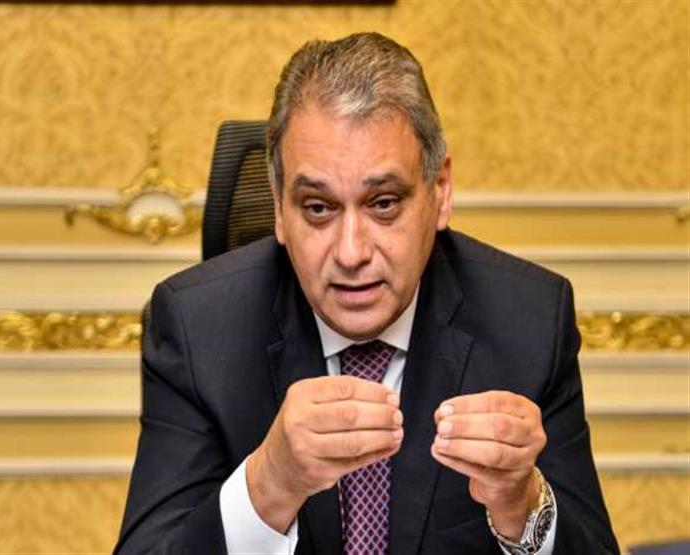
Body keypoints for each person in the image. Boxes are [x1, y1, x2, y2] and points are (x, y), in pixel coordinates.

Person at [114, 33, 619, 554]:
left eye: (383, 203)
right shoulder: (198, 329)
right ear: (278, 207)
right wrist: (270, 482)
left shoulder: (530, 321)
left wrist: (522, 503)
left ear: (440, 191)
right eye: (318, 208)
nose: (351, 253)